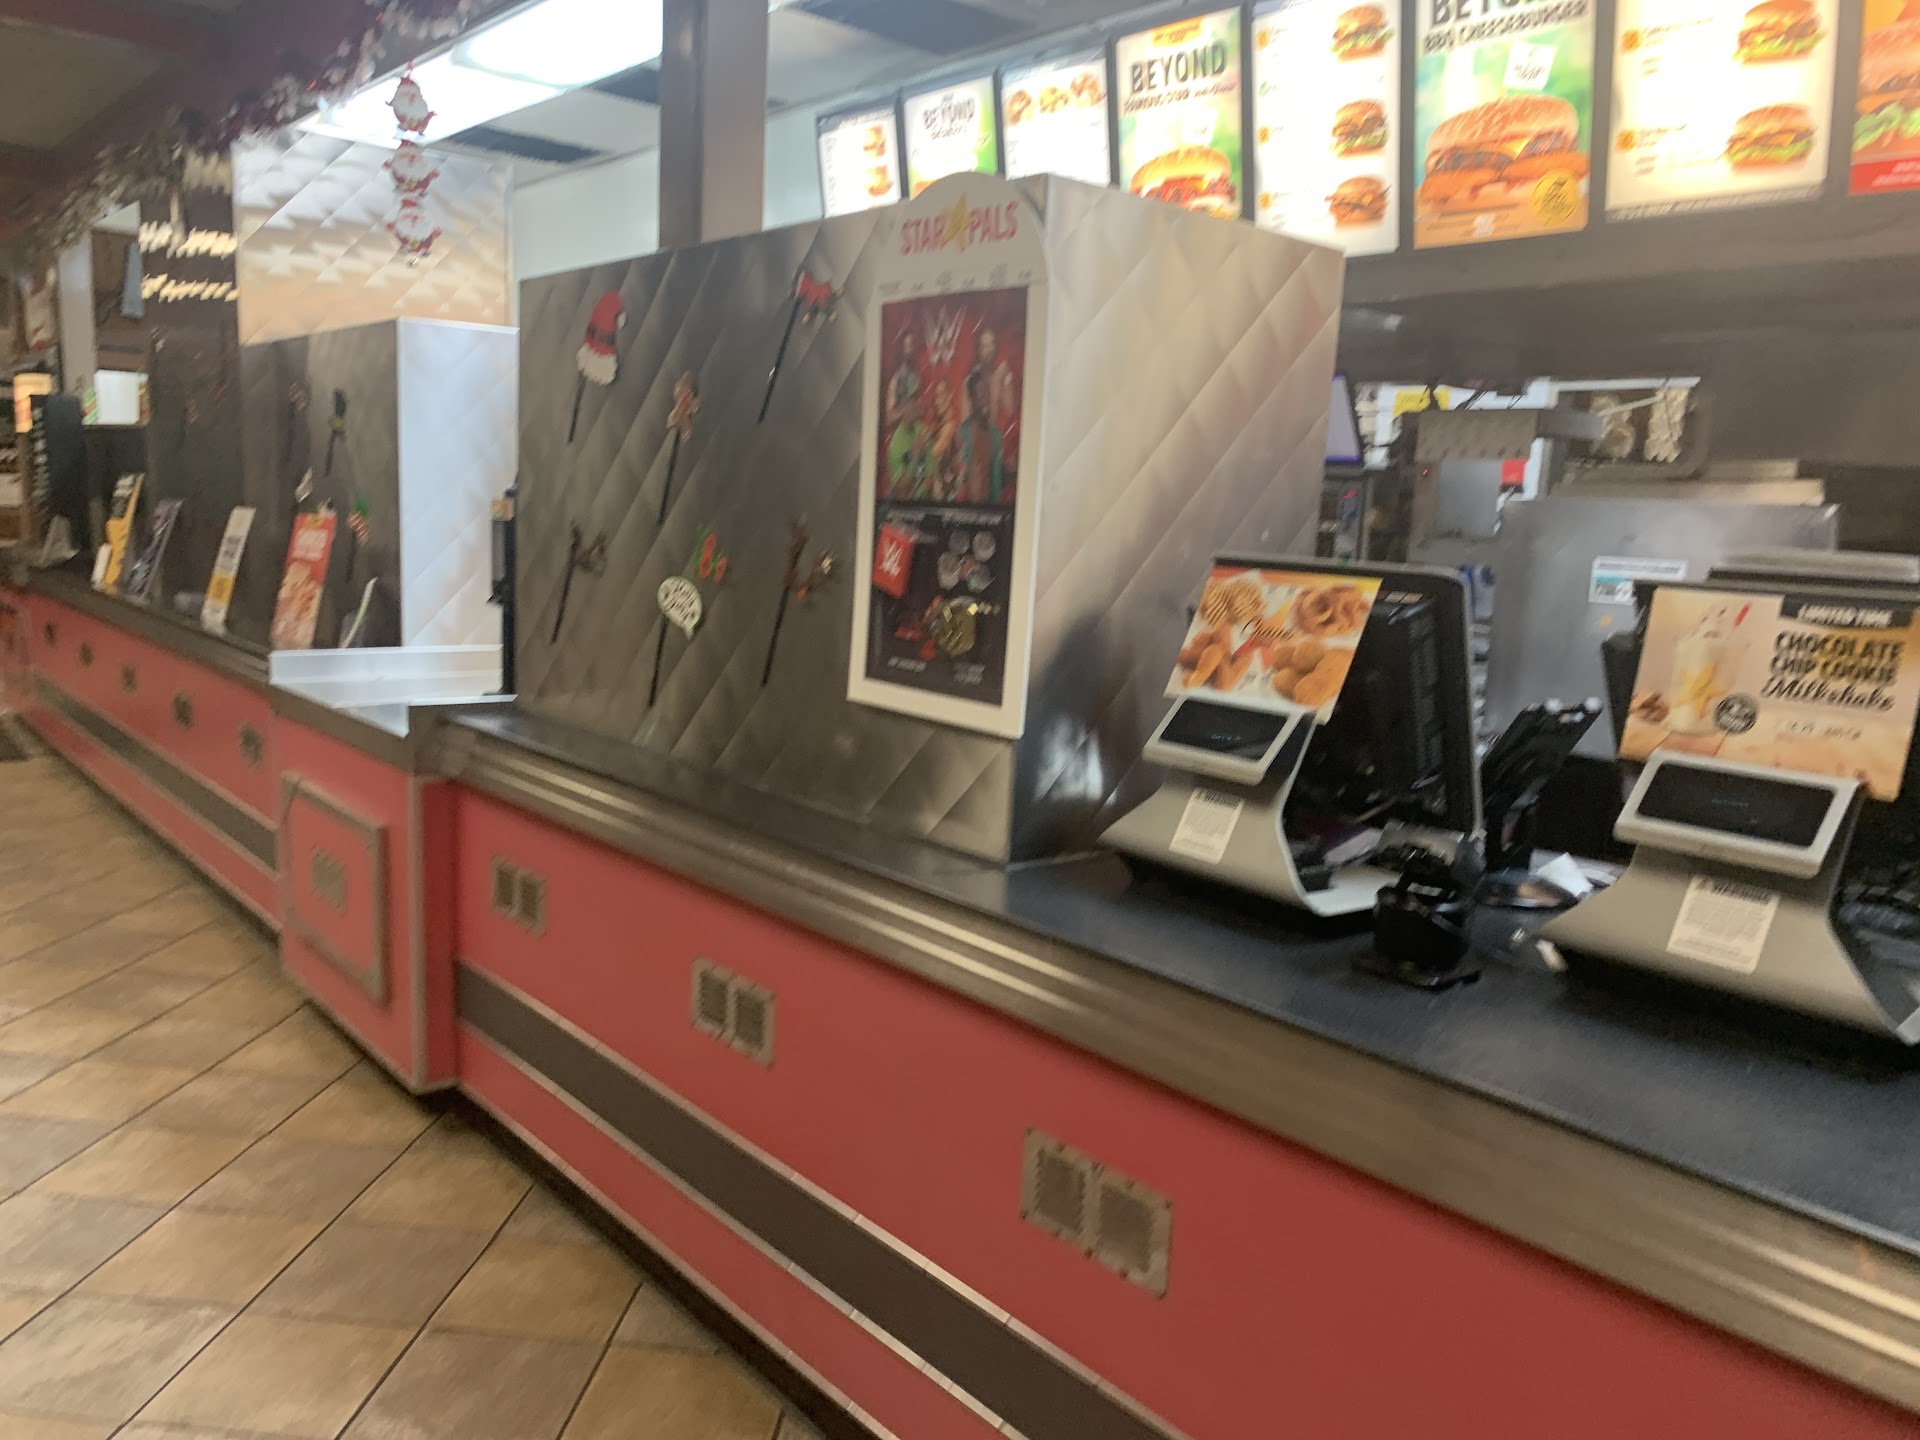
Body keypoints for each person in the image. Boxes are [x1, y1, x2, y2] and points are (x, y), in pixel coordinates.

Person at [953, 370, 1005, 505]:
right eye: (979, 394)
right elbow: (958, 482)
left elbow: (996, 483)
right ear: (971, 398)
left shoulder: (996, 436)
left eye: (986, 393)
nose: (984, 400)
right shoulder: (962, 434)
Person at [885, 388, 936, 501]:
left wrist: (919, 495)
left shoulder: (921, 430)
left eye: (917, 398)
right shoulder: (896, 444)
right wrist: (915, 455)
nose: (918, 403)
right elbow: (900, 487)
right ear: (903, 406)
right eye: (912, 400)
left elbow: (931, 473)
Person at [886, 329, 922, 432]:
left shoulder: (915, 377)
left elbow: (918, 406)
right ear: (901, 349)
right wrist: (904, 411)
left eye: (912, 346)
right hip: (900, 432)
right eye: (908, 346)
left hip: (914, 432)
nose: (910, 350)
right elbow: (889, 417)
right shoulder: (895, 379)